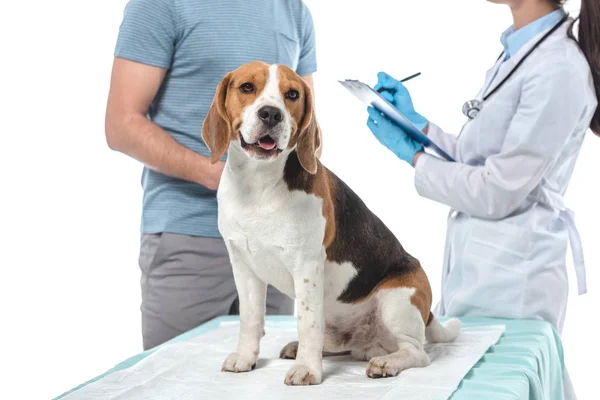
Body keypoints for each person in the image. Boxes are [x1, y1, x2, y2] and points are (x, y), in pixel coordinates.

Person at [366, 0, 598, 398]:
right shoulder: (522, 49)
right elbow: (484, 158)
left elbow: (498, 190)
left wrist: (415, 157)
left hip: (514, 276)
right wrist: (417, 126)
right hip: (483, 264)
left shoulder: (558, 68)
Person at [105, 0, 318, 351]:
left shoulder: (293, 9)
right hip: (191, 238)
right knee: (178, 382)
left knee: (270, 384)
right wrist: (215, 175)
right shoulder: (159, 5)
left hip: (278, 240)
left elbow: (300, 125)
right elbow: (121, 124)